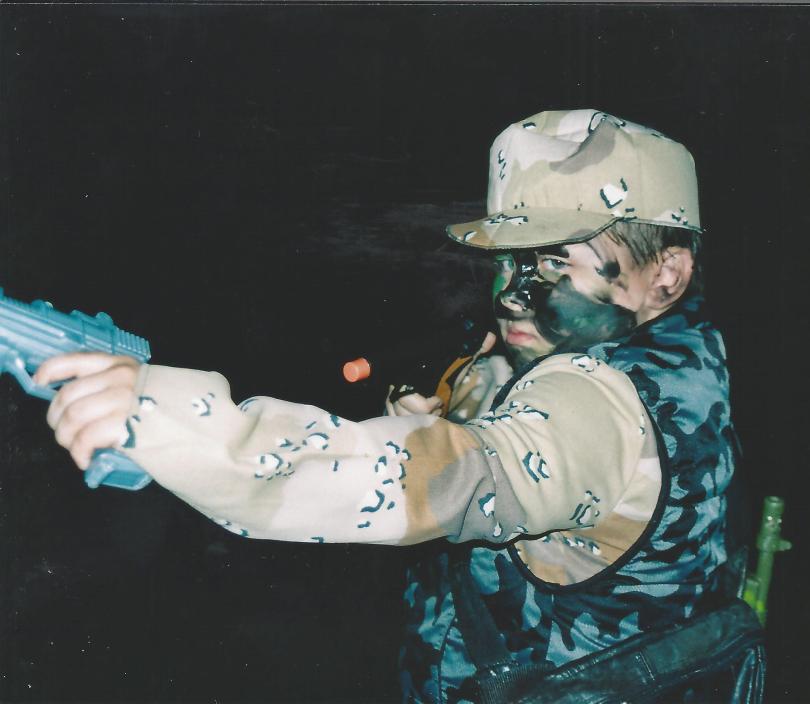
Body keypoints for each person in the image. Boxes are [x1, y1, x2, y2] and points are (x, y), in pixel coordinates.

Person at [35, 109, 734, 703]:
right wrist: (462, 403)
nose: (510, 294)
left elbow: (438, 476)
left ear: (666, 273)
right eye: (508, 261)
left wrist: (162, 415)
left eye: (555, 264)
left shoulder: (593, 404)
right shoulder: (680, 354)